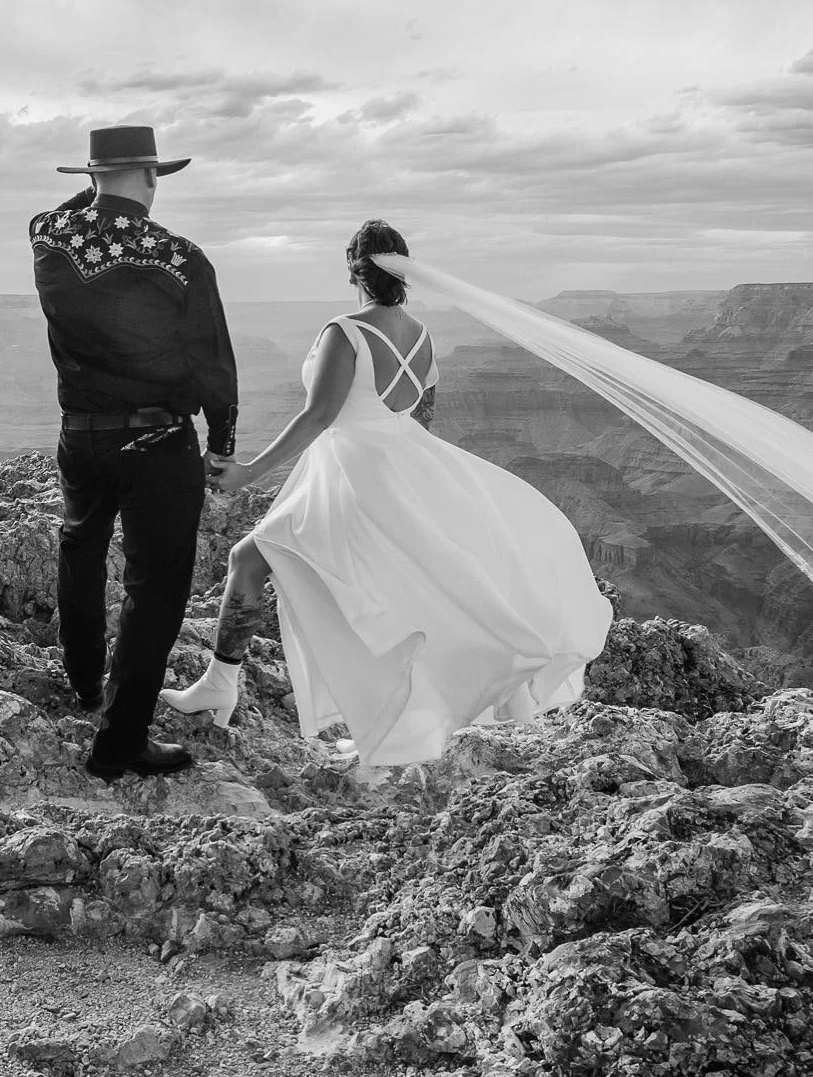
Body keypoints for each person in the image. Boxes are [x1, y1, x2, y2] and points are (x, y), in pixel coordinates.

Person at [160, 220, 612, 768]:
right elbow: (422, 418)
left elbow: (319, 415)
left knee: (250, 560)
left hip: (350, 474)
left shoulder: (343, 331)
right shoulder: (422, 336)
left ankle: (219, 684)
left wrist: (250, 472)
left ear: (355, 270)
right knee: (390, 601)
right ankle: (383, 719)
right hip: (400, 469)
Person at [30, 125, 239, 781]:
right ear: (151, 177)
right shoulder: (178, 257)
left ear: (90, 176)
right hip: (156, 442)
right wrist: (222, 443)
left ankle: (86, 684)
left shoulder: (48, 236)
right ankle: (119, 742)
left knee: (81, 551)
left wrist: (91, 195)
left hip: (80, 434)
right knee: (155, 586)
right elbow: (214, 368)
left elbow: (67, 212)